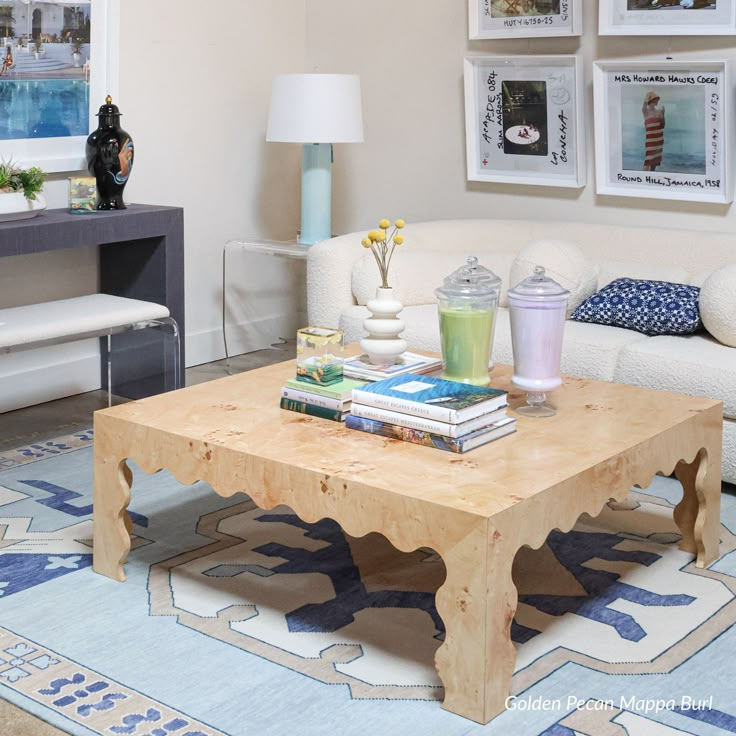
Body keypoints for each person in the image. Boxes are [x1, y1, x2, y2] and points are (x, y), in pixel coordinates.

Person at [642, 90, 665, 172]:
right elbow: (644, 105)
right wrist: (648, 96)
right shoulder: (646, 111)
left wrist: (663, 114)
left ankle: (652, 178)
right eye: (655, 100)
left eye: (656, 100)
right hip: (650, 140)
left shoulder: (659, 112)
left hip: (659, 139)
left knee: (655, 161)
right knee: (648, 160)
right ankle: (644, 179)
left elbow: (662, 126)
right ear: (650, 101)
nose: (656, 102)